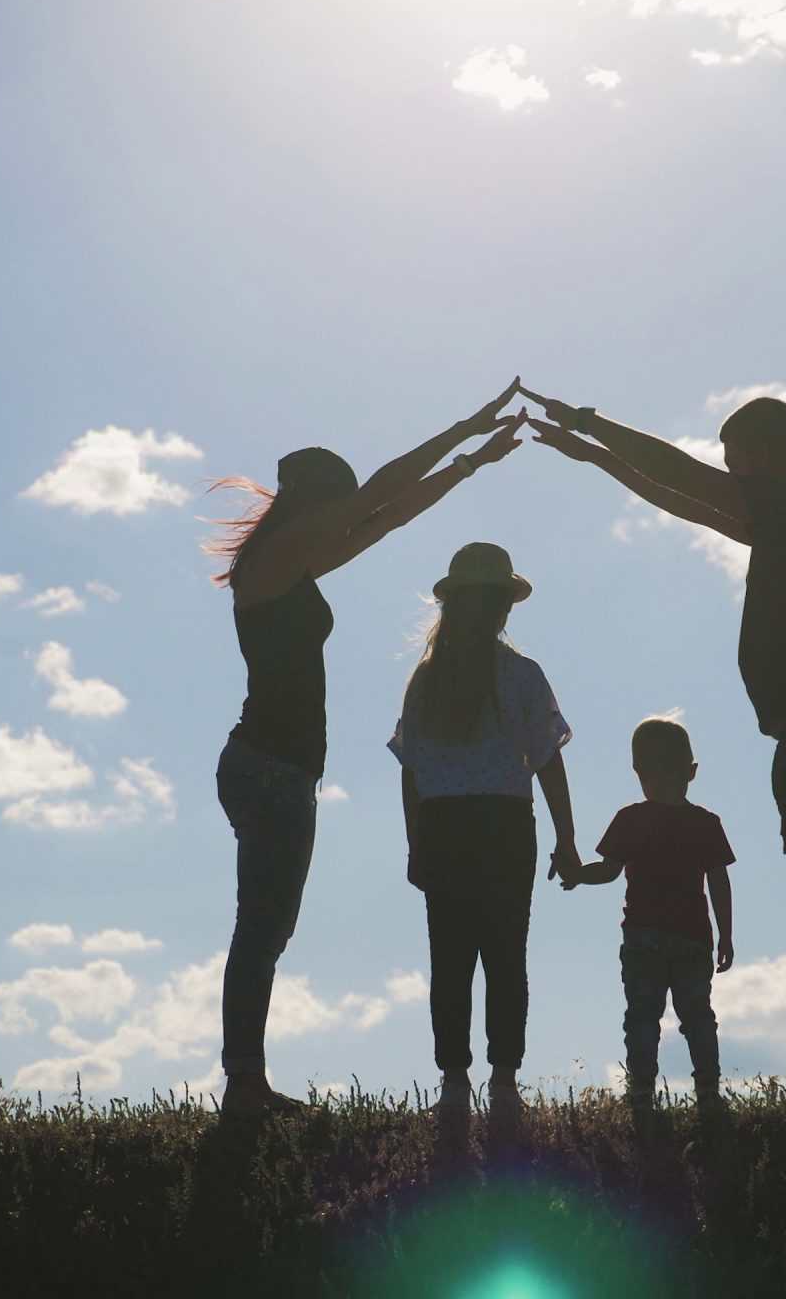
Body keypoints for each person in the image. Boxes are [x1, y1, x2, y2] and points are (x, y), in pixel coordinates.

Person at [522, 387, 786, 1098]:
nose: (732, 476)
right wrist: (596, 458)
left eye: (738, 463)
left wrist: (590, 423)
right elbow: (684, 498)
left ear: (764, 455)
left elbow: (682, 474)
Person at [209, 382, 526, 1116]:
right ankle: (244, 1085)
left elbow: (383, 518)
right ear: (314, 502)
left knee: (267, 927)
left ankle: (246, 1081)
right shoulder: (274, 560)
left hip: (279, 767)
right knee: (261, 928)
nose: (343, 516)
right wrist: (465, 426)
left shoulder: (290, 563)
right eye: (336, 503)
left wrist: (470, 462)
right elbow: (380, 495)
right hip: (269, 767)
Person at [390, 541, 581, 1135]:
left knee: (450, 958)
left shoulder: (427, 679)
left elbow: (412, 774)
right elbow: (548, 760)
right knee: (504, 955)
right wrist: (566, 838)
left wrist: (416, 842)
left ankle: (457, 1082)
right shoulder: (521, 675)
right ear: (500, 606)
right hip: (501, 825)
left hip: (448, 826)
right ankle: (500, 1082)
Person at [564, 716, 735, 1117]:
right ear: (691, 772)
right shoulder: (705, 824)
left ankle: (641, 1094)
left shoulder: (631, 819)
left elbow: (607, 871)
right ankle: (707, 1093)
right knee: (698, 1017)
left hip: (642, 937)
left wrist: (576, 875)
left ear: (638, 771)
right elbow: (719, 882)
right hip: (693, 937)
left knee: (642, 1016)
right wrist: (726, 935)